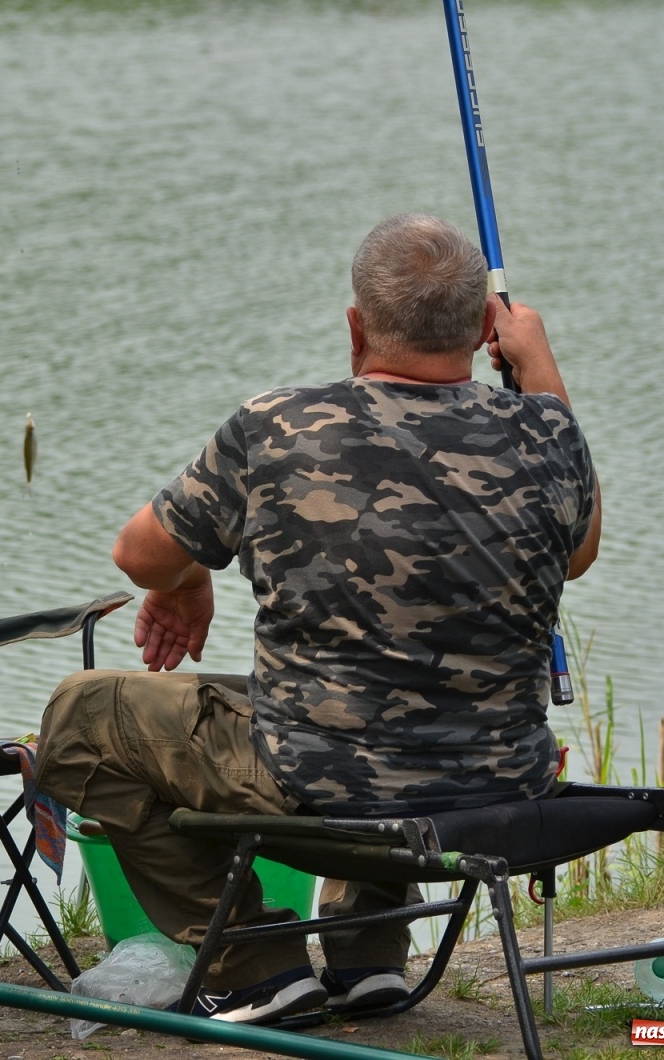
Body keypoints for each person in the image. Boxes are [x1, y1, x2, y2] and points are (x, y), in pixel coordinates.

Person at [34, 213, 601, 1025]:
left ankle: (254, 965)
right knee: (398, 677)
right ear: (484, 330)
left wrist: (190, 578)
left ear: (355, 324)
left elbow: (138, 557)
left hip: (320, 784)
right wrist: (540, 369)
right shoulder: (547, 429)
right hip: (498, 781)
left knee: (82, 715)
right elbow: (577, 551)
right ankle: (369, 955)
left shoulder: (279, 425)